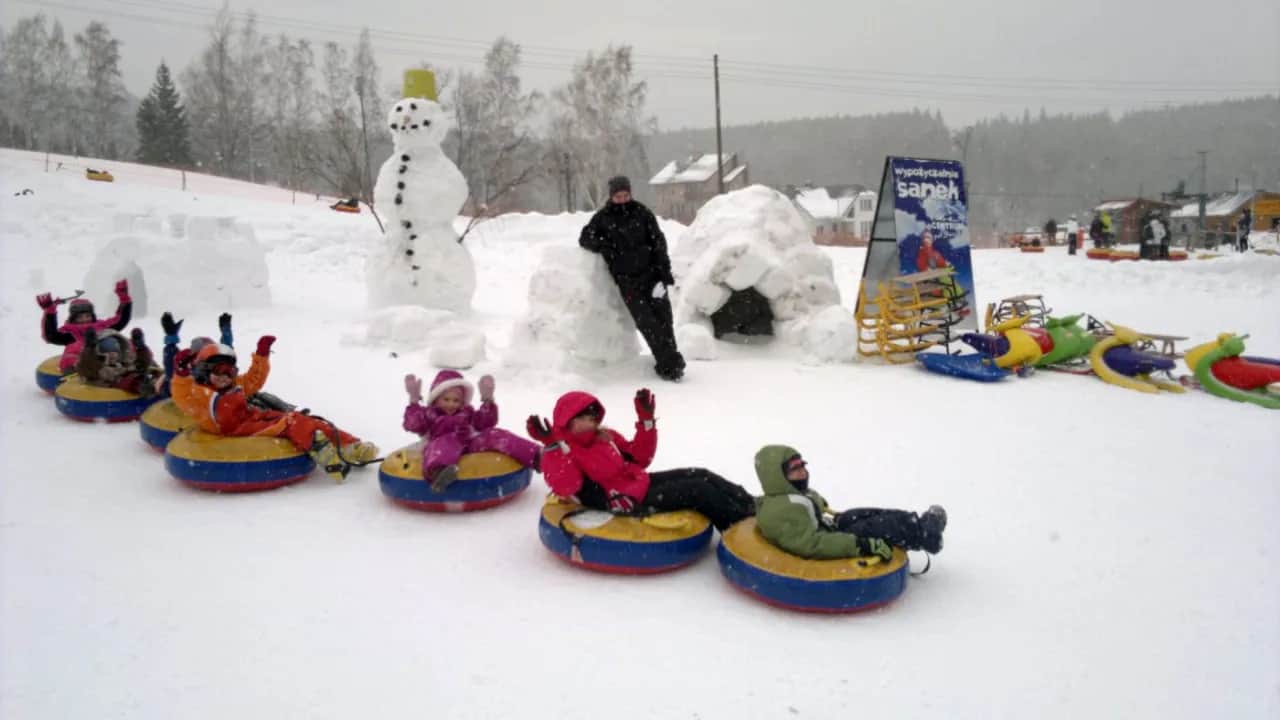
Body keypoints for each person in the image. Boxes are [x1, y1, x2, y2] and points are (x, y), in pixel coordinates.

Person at [526, 389, 755, 530]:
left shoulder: (605, 436)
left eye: (592, 417)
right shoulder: (563, 450)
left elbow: (640, 457)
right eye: (583, 418)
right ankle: (739, 526)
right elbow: (567, 485)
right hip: (622, 499)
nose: (591, 422)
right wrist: (552, 446)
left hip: (636, 483)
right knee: (698, 490)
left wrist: (646, 421)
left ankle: (751, 504)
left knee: (700, 474)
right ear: (567, 421)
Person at [171, 338, 378, 481]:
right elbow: (182, 395)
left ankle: (351, 446)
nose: (226, 376)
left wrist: (261, 355)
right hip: (237, 430)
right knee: (290, 423)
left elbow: (254, 379)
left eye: (230, 371)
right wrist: (181, 374)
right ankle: (326, 457)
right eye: (219, 371)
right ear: (204, 371)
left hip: (252, 418)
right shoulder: (201, 395)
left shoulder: (235, 385)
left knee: (294, 416)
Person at [752, 444, 947, 560]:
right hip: (826, 539)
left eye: (803, 465)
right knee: (874, 527)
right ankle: (925, 534)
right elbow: (810, 544)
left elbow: (812, 503)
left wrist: (823, 507)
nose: (802, 471)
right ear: (777, 476)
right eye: (794, 468)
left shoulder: (793, 492)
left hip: (827, 528)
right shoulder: (782, 510)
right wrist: (861, 545)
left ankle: (917, 522)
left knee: (858, 514)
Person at [578, 176, 685, 381]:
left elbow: (658, 243)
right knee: (647, 323)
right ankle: (670, 364)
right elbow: (585, 238)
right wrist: (605, 245)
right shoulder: (603, 218)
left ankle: (669, 363)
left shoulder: (642, 213)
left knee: (664, 321)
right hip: (627, 282)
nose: (623, 199)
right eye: (618, 196)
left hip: (653, 277)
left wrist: (664, 274)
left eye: (626, 195)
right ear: (611, 196)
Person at [403, 370, 541, 491]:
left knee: (494, 434)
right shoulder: (430, 414)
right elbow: (413, 424)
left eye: (456, 400)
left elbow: (485, 423)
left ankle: (536, 456)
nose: (451, 404)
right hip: (442, 445)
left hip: (469, 444)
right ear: (436, 399)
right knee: (445, 442)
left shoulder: (466, 412)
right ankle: (440, 473)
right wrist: (414, 402)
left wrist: (488, 401)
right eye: (446, 399)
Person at [37, 279, 133, 373]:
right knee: (75, 346)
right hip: (83, 363)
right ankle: (77, 373)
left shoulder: (101, 325)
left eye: (87, 316)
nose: (84, 319)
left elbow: (121, 319)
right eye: (80, 317)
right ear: (73, 318)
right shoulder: (69, 331)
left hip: (108, 358)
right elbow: (50, 335)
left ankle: (128, 365)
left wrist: (124, 299)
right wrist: (50, 312)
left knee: (113, 339)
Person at [76, 327, 164, 398]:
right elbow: (87, 364)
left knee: (142, 371)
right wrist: (90, 347)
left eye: (115, 350)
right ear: (98, 351)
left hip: (131, 380)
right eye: (106, 349)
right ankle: (143, 387)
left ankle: (160, 385)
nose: (111, 353)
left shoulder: (123, 363)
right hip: (111, 386)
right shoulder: (95, 367)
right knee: (125, 380)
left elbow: (141, 364)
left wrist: (141, 348)